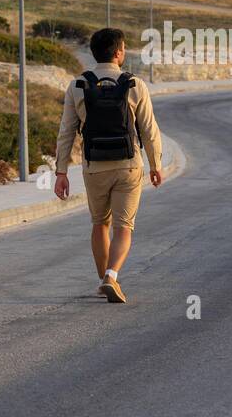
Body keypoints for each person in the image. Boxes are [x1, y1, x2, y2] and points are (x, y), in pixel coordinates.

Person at [54, 27, 163, 303]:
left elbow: (66, 131)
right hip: (128, 165)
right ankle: (112, 276)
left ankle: (104, 279)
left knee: (100, 224)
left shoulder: (78, 85)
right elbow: (149, 131)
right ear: (118, 52)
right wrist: (156, 164)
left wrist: (61, 171)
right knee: (124, 227)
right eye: (124, 48)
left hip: (94, 166)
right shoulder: (135, 84)